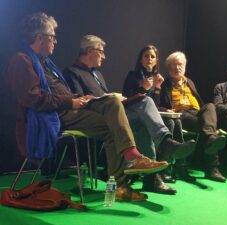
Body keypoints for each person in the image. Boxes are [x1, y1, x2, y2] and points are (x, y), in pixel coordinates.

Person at [5, 12, 169, 202]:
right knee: (113, 112)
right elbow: (33, 99)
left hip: (70, 108)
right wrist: (71, 101)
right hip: (53, 116)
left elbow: (60, 93)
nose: (55, 42)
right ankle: (131, 158)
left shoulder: (46, 63)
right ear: (40, 37)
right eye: (52, 37)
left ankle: (119, 186)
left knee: (112, 118)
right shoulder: (22, 60)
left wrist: (80, 98)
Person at [63, 39, 196, 195]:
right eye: (101, 52)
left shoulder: (97, 73)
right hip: (97, 118)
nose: (104, 56)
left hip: (116, 113)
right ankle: (162, 152)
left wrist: (118, 98)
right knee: (144, 104)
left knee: (144, 110)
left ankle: (152, 175)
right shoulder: (72, 72)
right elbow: (80, 101)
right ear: (90, 51)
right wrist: (112, 98)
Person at [122, 45, 194, 183]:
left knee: (173, 121)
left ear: (156, 61)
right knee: (166, 121)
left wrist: (157, 88)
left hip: (148, 116)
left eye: (152, 57)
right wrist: (142, 88)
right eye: (146, 56)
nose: (149, 59)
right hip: (131, 113)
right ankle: (167, 147)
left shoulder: (157, 78)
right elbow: (126, 98)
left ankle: (165, 168)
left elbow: (154, 105)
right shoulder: (133, 75)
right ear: (140, 59)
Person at [158, 51, 227, 183]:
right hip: (179, 115)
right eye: (173, 65)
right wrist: (167, 109)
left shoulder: (189, 81)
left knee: (210, 106)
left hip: (196, 113)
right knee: (209, 130)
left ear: (184, 66)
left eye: (180, 64)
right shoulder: (163, 84)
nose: (177, 68)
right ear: (168, 68)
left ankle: (211, 139)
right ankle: (212, 168)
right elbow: (157, 105)